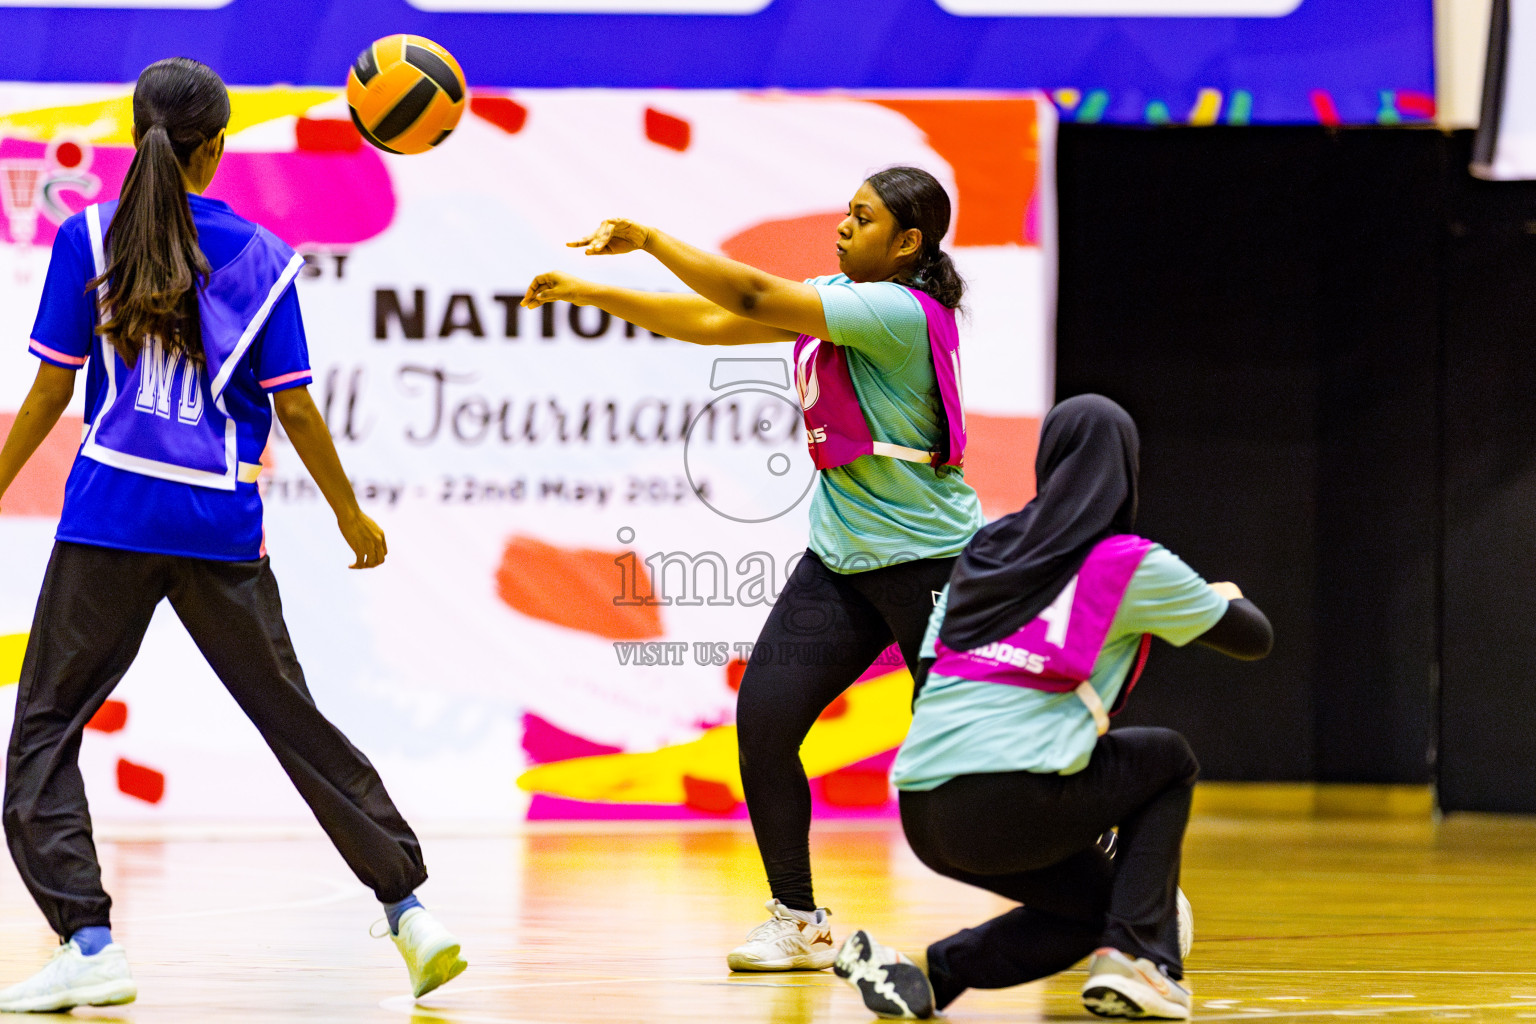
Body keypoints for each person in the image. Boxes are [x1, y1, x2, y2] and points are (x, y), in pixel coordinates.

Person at [0, 58, 465, 1012]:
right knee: (292, 718)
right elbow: (296, 411)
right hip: (219, 520)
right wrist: (350, 513)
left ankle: (89, 941)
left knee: (46, 727)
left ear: (138, 137)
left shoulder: (87, 235)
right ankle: (413, 912)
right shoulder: (262, 254)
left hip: (113, 513)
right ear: (217, 148)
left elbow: (51, 391)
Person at [522, 166, 985, 971]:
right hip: (842, 562)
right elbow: (711, 323)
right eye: (845, 210)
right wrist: (593, 294)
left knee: (978, 756)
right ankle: (797, 918)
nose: (844, 224)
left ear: (907, 243)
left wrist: (651, 240)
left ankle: (1116, 864)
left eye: (864, 217)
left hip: (931, 564)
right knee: (765, 725)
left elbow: (747, 297)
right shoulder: (843, 295)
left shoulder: (898, 311)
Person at [833, 394, 1273, 1020]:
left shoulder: (985, 552)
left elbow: (927, 674)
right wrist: (1220, 594)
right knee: (1169, 759)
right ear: (1126, 468)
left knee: (1103, 908)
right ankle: (1142, 963)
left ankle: (926, 975)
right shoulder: (1127, 561)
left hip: (925, 809)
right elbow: (1254, 639)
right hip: (1009, 799)